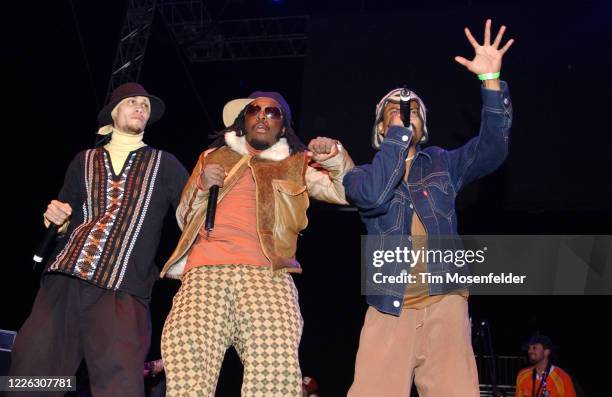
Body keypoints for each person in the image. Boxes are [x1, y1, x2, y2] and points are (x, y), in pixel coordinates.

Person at [343, 19, 514, 396]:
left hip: (445, 301)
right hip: (390, 307)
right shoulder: (359, 176)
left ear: (425, 127)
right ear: (379, 129)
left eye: (414, 112)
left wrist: (490, 81)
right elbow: (373, 197)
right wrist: (397, 139)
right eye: (394, 110)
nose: (405, 115)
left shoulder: (443, 163)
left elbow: (492, 149)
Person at [159, 91, 354, 396]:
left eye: (272, 112)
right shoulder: (213, 157)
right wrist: (201, 185)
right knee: (186, 364)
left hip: (267, 276)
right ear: (244, 120)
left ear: (283, 125)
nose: (263, 116)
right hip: (204, 273)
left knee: (275, 372)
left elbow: (346, 193)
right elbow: (184, 217)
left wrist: (335, 157)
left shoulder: (296, 163)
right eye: (254, 110)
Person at [8, 83, 188, 396]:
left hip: (123, 289)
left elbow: (192, 214)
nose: (140, 109)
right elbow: (65, 215)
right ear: (114, 113)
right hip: (65, 279)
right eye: (132, 102)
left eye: (144, 106)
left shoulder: (166, 164)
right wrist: (55, 218)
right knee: (32, 372)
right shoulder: (84, 160)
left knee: (119, 383)